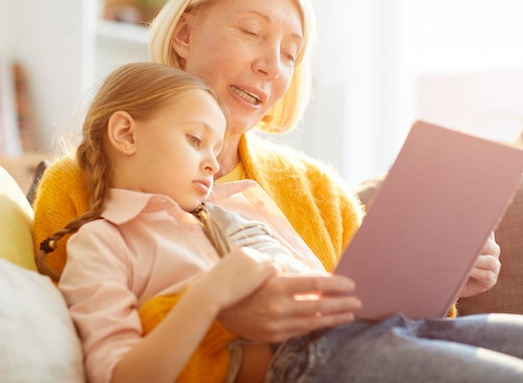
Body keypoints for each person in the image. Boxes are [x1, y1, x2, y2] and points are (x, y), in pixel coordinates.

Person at [33, 0, 501, 348]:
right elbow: (79, 339)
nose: (271, 66)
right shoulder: (78, 184)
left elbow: (380, 327)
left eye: (290, 54)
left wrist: (443, 282)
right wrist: (222, 315)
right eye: (252, 32)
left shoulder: (320, 192)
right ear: (183, 34)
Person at [55, 62, 523, 383]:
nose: (213, 164)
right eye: (196, 140)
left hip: (380, 327)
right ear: (125, 134)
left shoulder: (223, 212)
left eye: (215, 150)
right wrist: (210, 295)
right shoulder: (101, 240)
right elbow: (120, 376)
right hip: (308, 359)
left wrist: (435, 277)